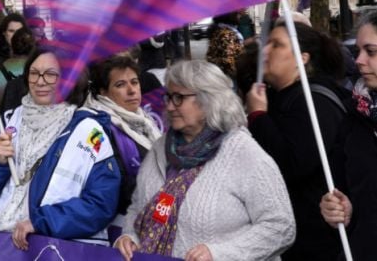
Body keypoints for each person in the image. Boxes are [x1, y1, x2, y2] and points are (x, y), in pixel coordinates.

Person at [115, 61, 295, 261]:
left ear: (208, 100)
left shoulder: (244, 153)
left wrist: (220, 254)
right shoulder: (161, 148)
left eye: (179, 98)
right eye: (168, 96)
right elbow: (138, 206)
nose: (168, 105)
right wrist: (130, 236)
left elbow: (281, 226)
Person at [0, 47, 121, 250]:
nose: (40, 81)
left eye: (51, 75)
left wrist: (42, 222)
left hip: (57, 247)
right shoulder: (7, 123)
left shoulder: (90, 131)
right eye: (34, 73)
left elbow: (102, 204)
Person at [246, 22, 347, 260]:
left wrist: (258, 117)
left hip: (314, 240)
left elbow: (290, 164)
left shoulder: (314, 103)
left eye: (277, 44)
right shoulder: (277, 97)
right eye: (267, 43)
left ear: (302, 58)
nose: (266, 50)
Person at [319, 10, 377, 259]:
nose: (360, 61)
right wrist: (340, 208)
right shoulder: (355, 116)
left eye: (371, 52)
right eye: (358, 52)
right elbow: (349, 189)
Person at [84, 55, 161, 237]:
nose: (132, 90)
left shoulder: (144, 121)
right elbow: (119, 187)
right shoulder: (98, 128)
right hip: (124, 229)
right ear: (103, 92)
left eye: (134, 82)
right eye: (120, 85)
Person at [205, 12, 244, 78]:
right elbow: (228, 59)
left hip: (218, 73)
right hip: (227, 76)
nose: (240, 16)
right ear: (231, 16)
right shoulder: (227, 34)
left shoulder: (220, 29)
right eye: (238, 14)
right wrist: (238, 75)